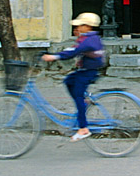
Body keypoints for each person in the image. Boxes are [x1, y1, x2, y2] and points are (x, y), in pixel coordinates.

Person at [42, 12, 105, 141]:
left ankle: (83, 129)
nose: (77, 28)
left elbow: (73, 51)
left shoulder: (89, 40)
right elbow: (75, 48)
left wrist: (54, 56)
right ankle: (83, 104)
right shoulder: (89, 37)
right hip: (85, 70)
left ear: (88, 26)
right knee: (69, 81)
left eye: (80, 25)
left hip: (88, 72)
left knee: (77, 94)